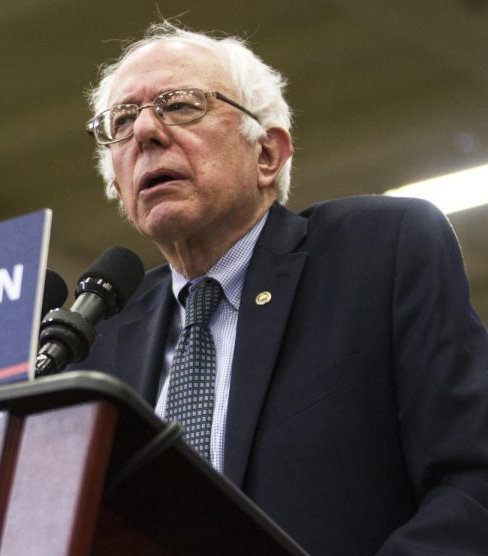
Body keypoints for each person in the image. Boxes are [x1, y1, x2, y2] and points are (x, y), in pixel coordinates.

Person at [75, 21, 488, 555]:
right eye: (122, 122)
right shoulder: (98, 337)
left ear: (268, 154)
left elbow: (474, 481)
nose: (146, 133)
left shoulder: (380, 252)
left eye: (180, 106)